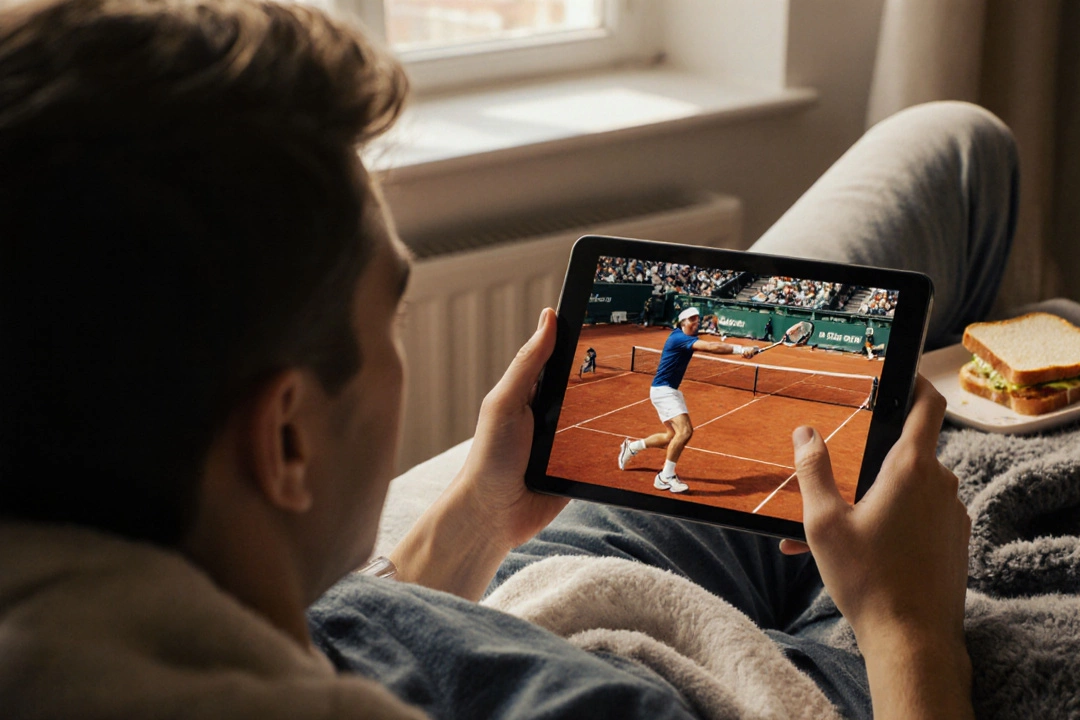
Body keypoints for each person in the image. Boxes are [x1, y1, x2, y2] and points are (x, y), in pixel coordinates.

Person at [0, 0, 1018, 717]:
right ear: (285, 440)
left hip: (481, 599)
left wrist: (472, 521)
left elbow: (329, 643)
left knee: (945, 150)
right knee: (960, 166)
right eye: (389, 313)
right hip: (628, 652)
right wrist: (907, 631)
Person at [617, 307, 760, 493]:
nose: (696, 322)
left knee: (670, 438)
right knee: (685, 432)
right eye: (692, 319)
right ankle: (665, 476)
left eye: (698, 319)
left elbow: (712, 344)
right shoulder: (678, 338)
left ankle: (632, 446)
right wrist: (741, 349)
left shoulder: (685, 337)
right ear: (682, 322)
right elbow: (711, 347)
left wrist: (745, 350)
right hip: (663, 391)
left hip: (669, 391)